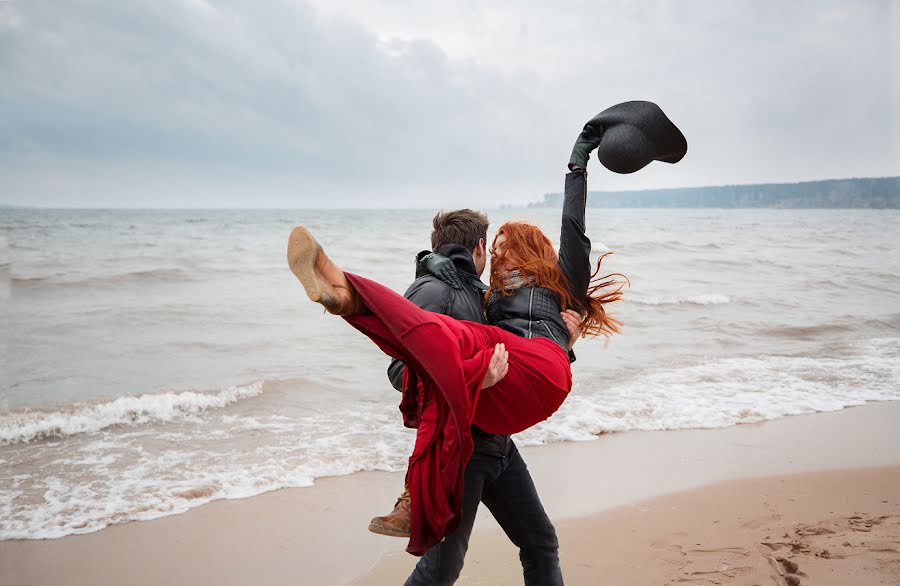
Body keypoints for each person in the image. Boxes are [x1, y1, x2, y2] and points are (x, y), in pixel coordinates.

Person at [286, 100, 686, 557]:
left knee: (445, 338)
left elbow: (573, 225)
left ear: (532, 249)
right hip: (508, 403)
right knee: (449, 350)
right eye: (494, 249)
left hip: (538, 370)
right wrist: (508, 362)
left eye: (505, 247)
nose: (498, 256)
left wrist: (578, 164)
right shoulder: (486, 300)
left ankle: (350, 293)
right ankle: (345, 298)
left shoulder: (560, 281)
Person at [367, 209, 581, 585]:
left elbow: (518, 353)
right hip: (463, 450)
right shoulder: (434, 289)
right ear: (480, 247)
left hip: (498, 445)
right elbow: (402, 372)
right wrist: (473, 377)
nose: (496, 259)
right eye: (493, 250)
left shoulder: (484, 296)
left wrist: (564, 343)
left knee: (541, 543)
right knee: (442, 569)